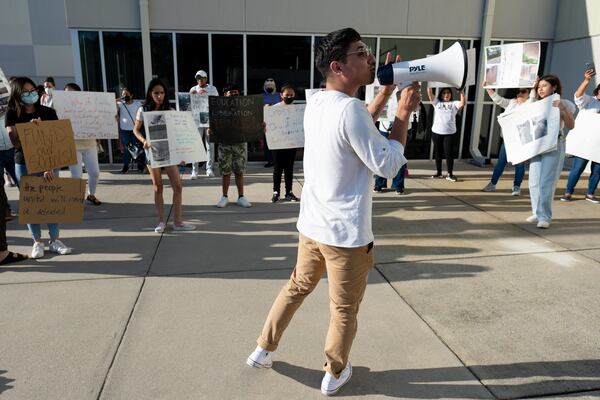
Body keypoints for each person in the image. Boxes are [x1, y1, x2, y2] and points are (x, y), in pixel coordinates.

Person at [246, 28, 420, 396]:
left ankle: (263, 349)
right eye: (360, 53)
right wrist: (403, 114)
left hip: (312, 227)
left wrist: (385, 92)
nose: (369, 58)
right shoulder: (351, 112)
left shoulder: (319, 103)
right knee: (343, 310)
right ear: (339, 66)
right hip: (346, 237)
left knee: (296, 288)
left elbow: (358, 127)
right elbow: (388, 165)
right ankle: (334, 371)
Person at [5, 77, 72, 258]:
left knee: (50, 201)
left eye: (32, 90)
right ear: (18, 94)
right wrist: (30, 130)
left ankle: (55, 240)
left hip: (49, 164)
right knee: (32, 203)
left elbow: (56, 141)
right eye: (25, 91)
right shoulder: (12, 113)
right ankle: (37, 242)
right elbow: (15, 140)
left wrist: (47, 166)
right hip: (24, 162)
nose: (30, 94)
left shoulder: (49, 112)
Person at [133, 78, 195, 233]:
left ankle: (178, 222)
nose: (159, 96)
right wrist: (143, 140)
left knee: (178, 187)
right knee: (158, 187)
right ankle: (161, 222)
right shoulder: (143, 109)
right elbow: (136, 130)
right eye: (156, 93)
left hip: (169, 152)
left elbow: (179, 133)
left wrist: (182, 152)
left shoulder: (171, 110)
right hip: (151, 153)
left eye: (161, 93)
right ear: (150, 93)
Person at [526, 75, 575, 228]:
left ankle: (545, 217)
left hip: (554, 145)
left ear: (554, 87)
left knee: (546, 182)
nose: (540, 88)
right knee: (533, 182)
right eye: (539, 86)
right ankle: (537, 212)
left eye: (544, 85)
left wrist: (563, 109)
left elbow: (571, 125)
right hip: (537, 145)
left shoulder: (563, 103)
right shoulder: (534, 104)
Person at [481, 86, 533, 195]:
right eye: (518, 91)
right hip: (508, 139)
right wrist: (487, 88)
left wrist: (535, 85)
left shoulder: (530, 104)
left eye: (523, 91)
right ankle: (492, 183)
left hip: (521, 140)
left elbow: (533, 98)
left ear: (529, 93)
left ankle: (516, 187)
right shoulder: (512, 102)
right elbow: (498, 99)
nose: (520, 93)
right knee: (501, 162)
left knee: (519, 164)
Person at [560, 68, 600, 204]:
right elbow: (578, 95)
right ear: (598, 91)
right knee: (577, 169)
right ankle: (568, 192)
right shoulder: (589, 101)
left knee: (597, 172)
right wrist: (587, 80)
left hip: (599, 147)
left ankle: (590, 194)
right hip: (585, 144)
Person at [213, 83, 252, 208]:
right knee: (226, 171)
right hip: (224, 143)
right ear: (225, 94)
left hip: (239, 143)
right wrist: (210, 130)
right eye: (231, 92)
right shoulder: (218, 108)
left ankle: (241, 196)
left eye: (236, 92)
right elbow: (213, 123)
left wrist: (259, 126)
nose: (234, 94)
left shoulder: (244, 107)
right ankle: (224, 196)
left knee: (239, 171)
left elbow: (252, 121)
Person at [63, 83, 102, 206]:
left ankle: (91, 195)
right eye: (66, 93)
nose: (69, 95)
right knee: (76, 176)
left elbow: (100, 119)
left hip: (90, 143)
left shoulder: (89, 106)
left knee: (95, 172)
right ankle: (77, 201)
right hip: (72, 146)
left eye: (72, 92)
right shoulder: (61, 108)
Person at [427, 87, 465, 181]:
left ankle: (450, 174)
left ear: (451, 94)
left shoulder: (454, 103)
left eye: (448, 93)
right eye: (444, 93)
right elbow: (429, 92)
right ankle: (439, 172)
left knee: (449, 154)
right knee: (438, 153)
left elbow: (462, 103)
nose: (446, 94)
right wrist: (431, 82)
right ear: (441, 94)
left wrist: (461, 92)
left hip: (449, 133)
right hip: (436, 132)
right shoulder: (437, 103)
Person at [270, 84, 300, 203]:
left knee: (289, 169)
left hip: (291, 143)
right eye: (287, 95)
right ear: (281, 95)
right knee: (277, 168)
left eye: (291, 95)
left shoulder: (297, 109)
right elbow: (268, 123)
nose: (289, 97)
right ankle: (276, 192)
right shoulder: (274, 108)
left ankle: (289, 192)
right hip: (277, 143)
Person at [189, 70, 219, 179]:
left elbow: (216, 103)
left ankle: (209, 168)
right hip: (197, 120)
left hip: (208, 119)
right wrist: (194, 94)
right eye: (197, 78)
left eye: (201, 78)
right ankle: (194, 170)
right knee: (196, 145)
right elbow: (187, 104)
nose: (199, 80)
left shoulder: (212, 89)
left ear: (206, 78)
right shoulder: (193, 89)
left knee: (210, 145)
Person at [117, 87, 144, 173]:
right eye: (123, 95)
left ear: (131, 95)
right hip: (124, 130)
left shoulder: (137, 104)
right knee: (126, 149)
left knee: (138, 148)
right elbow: (110, 102)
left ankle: (140, 165)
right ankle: (126, 165)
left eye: (126, 94)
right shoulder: (121, 104)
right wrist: (120, 98)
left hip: (135, 130)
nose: (124, 96)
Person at [262, 78, 279, 168]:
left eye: (271, 86)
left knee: (278, 142)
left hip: (278, 123)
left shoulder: (279, 95)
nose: (269, 88)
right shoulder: (262, 96)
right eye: (268, 86)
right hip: (266, 122)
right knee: (267, 143)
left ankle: (277, 160)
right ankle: (269, 160)